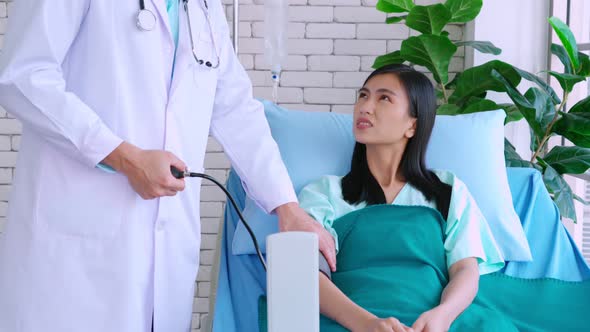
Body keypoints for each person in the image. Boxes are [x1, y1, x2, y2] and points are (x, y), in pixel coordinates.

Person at [0, 0, 336, 331]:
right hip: (76, 241)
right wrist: (124, 157)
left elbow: (236, 110)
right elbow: (23, 76)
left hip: (165, 247)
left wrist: (287, 207)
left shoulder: (204, 8)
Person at [298, 64, 506, 332]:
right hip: (349, 320)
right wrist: (366, 323)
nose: (365, 107)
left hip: (437, 320)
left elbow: (465, 269)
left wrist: (443, 315)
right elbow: (307, 273)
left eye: (383, 98)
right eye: (363, 95)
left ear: (413, 125)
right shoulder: (323, 193)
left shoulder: (448, 190)